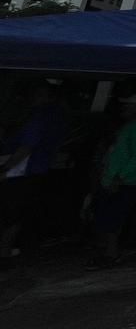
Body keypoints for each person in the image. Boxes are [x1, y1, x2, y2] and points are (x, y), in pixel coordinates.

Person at [0, 84, 67, 260]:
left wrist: (5, 168)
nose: (33, 97)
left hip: (23, 172)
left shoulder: (40, 117)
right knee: (21, 212)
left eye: (38, 93)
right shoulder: (57, 116)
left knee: (12, 214)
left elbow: (26, 147)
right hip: (38, 170)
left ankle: (4, 252)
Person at [89, 93, 136, 269]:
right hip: (114, 179)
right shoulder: (132, 126)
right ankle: (107, 253)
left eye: (127, 107)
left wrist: (120, 176)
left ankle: (110, 254)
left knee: (112, 218)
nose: (123, 109)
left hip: (123, 181)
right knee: (108, 217)